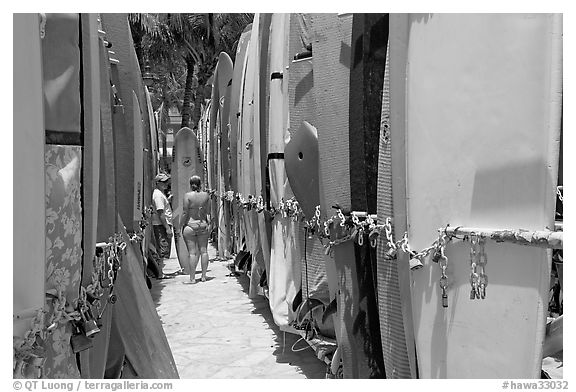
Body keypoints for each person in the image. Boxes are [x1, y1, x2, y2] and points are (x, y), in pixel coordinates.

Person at [180, 175, 211, 284]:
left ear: (190, 184)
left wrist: (181, 225)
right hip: (202, 224)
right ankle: (203, 276)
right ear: (200, 184)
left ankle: (192, 278)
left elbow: (185, 212)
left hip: (190, 225)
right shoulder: (206, 195)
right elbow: (208, 211)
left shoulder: (187, 196)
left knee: (192, 253)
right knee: (204, 251)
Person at [152, 173, 173, 263]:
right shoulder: (158, 195)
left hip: (162, 225)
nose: (166, 184)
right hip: (161, 225)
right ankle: (161, 273)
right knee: (163, 249)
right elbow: (161, 213)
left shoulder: (160, 194)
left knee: (164, 248)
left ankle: (161, 272)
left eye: (166, 181)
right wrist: (167, 228)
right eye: (163, 182)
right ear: (158, 183)